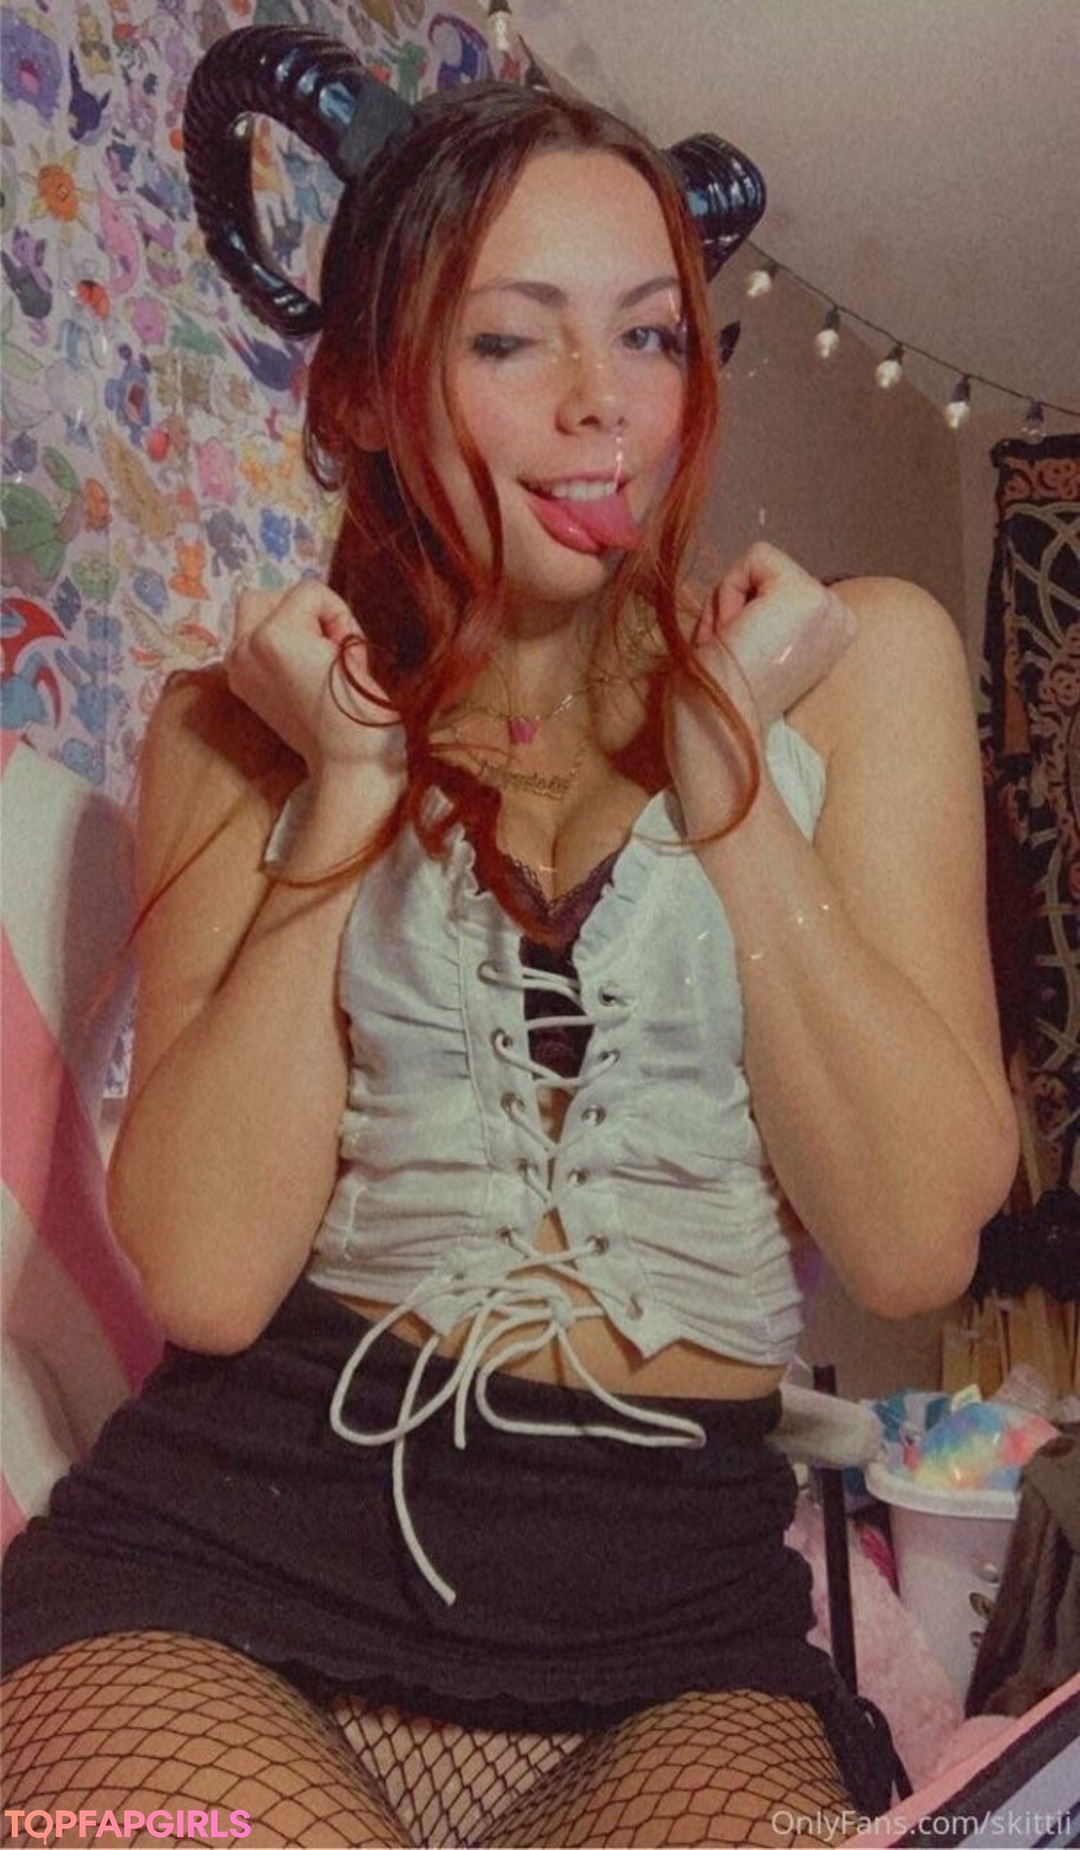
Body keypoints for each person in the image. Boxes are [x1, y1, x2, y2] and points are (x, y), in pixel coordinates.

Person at [1, 33, 1019, 1850]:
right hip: (222, 1587)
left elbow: (915, 1234)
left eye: (651, 335)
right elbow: (209, 1279)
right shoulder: (239, 731)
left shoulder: (860, 673)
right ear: (368, 389)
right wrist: (346, 791)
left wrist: (724, 774)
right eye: (509, 339)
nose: (602, 404)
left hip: (667, 1643)